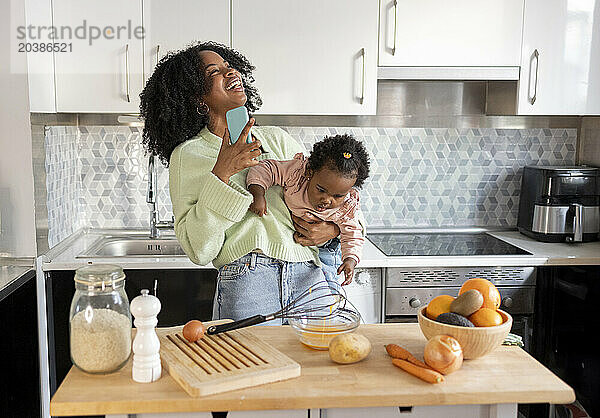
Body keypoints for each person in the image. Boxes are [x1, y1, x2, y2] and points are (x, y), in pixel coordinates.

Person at [139, 41, 348, 323]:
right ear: (197, 98)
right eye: (215, 71)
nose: (230, 72)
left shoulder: (276, 139)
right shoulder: (188, 155)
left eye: (229, 66)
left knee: (319, 363)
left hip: (307, 275)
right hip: (249, 277)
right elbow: (200, 250)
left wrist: (332, 230)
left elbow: (335, 198)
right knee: (250, 365)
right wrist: (221, 174)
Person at [246, 134, 370, 285]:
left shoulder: (346, 207)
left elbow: (353, 235)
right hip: (298, 250)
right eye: (321, 190)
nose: (327, 200)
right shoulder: (296, 175)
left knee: (328, 290)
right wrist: (258, 194)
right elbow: (266, 169)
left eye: (338, 196)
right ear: (309, 172)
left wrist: (350, 260)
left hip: (328, 248)